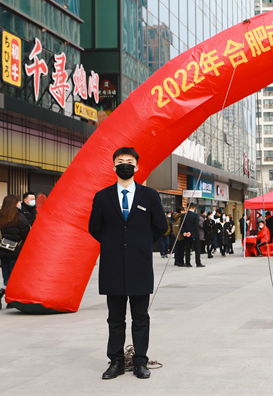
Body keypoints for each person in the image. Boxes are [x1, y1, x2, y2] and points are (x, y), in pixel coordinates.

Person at [88, 147, 166, 380]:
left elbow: (161, 226)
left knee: (140, 317)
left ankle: (140, 361)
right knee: (115, 318)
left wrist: (140, 243)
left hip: (140, 265)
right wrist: (113, 244)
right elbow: (94, 227)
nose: (125, 165)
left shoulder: (149, 195)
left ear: (137, 167)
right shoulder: (102, 196)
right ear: (113, 166)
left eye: (129, 161)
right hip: (112, 267)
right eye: (120, 161)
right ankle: (116, 362)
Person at [0, 195, 30, 310]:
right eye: (18, 202)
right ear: (14, 204)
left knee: (6, 275)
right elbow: (26, 234)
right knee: (14, 276)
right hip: (15, 250)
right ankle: (0, 294)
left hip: (2, 250)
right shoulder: (19, 217)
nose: (19, 204)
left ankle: (10, 300)